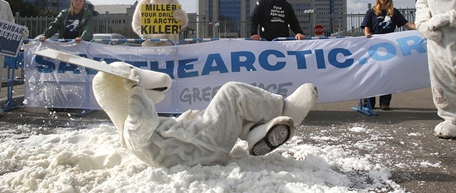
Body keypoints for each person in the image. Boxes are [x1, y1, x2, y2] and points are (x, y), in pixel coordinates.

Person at [92, 62, 318, 167]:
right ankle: (284, 109)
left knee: (228, 115)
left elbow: (164, 135)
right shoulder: (133, 130)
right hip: (203, 147)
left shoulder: (133, 136)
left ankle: (257, 135)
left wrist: (185, 119)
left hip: (199, 146)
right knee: (232, 93)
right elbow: (143, 119)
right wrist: (134, 88)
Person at [360, 0, 416, 110]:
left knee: (387, 74)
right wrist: (367, 34)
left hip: (389, 49)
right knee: (372, 74)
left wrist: (420, 27)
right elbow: (366, 27)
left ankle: (385, 101)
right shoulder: (371, 11)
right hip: (374, 48)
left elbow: (406, 24)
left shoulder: (394, 12)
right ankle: (369, 100)